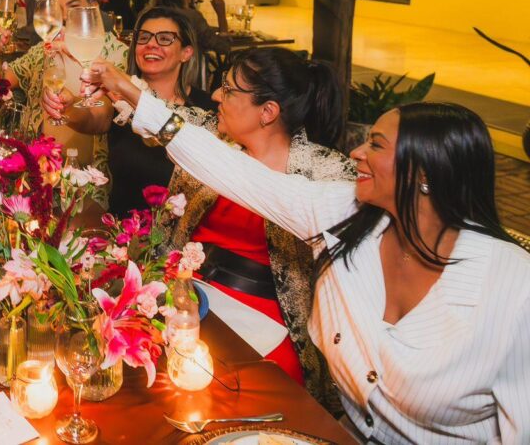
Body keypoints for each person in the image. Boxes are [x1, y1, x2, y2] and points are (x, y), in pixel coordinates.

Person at [90, 70, 530, 442]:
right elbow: (234, 172)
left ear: (424, 173)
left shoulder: (513, 288)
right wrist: (135, 96)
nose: (357, 153)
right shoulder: (342, 214)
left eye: (376, 145)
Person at [82, 48, 352, 406]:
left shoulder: (327, 173)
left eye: (228, 89)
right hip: (186, 295)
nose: (214, 96)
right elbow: (157, 115)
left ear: (268, 112)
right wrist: (101, 93)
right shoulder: (210, 131)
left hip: (266, 320)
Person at [42, 7, 215, 218]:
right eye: (143, 37)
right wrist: (67, 105)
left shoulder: (206, 109)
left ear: (186, 53)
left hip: (182, 236)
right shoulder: (118, 100)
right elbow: (92, 117)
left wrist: (124, 83)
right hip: (120, 231)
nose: (151, 44)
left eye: (164, 39)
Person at [3, 0, 127, 193]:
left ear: (93, 8)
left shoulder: (116, 54)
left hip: (87, 186)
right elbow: (3, 81)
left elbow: (102, 117)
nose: (64, 17)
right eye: (56, 10)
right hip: (37, 177)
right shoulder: (44, 50)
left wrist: (68, 108)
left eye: (74, 7)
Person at [148, 0, 229, 55]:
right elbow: (223, 47)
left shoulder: (152, 14)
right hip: (186, 63)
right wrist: (221, 15)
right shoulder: (192, 17)